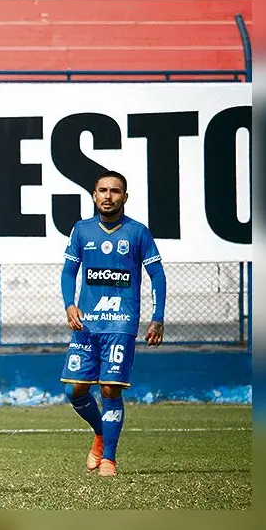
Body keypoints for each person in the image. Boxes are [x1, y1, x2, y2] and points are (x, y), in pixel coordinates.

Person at [60, 170, 165, 477]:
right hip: (87, 324)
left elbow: (157, 275)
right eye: (102, 190)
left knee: (109, 389)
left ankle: (110, 459)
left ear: (125, 197)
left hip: (121, 322)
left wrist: (157, 318)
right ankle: (101, 434)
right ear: (94, 195)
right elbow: (69, 272)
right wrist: (70, 305)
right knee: (75, 391)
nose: (108, 196)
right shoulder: (81, 231)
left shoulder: (138, 233)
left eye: (115, 191)